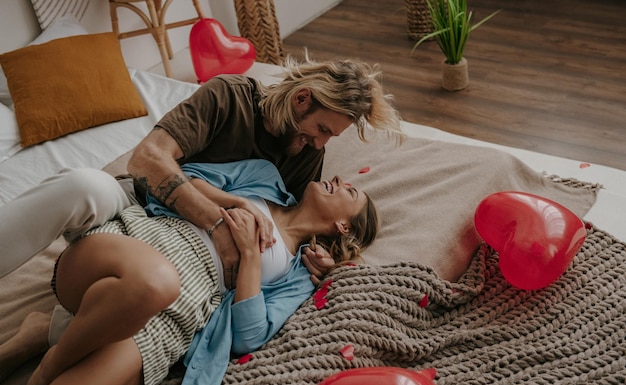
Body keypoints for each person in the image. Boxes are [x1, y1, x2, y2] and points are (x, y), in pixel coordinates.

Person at [1, 159, 379, 385]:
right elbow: (184, 178)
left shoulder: (299, 272)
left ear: (344, 226)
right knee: (153, 281)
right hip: (134, 244)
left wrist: (250, 254)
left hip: (170, 322)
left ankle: (52, 330)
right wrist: (232, 204)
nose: (342, 181)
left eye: (350, 191)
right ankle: (54, 361)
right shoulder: (264, 178)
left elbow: (249, 334)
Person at [0, 52, 403, 283]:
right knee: (81, 185)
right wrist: (216, 221)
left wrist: (328, 261)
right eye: (322, 128)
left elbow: (304, 225)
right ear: (301, 99)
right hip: (137, 204)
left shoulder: (307, 151)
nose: (321, 143)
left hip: (181, 253)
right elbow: (146, 160)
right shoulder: (229, 96)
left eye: (331, 136)